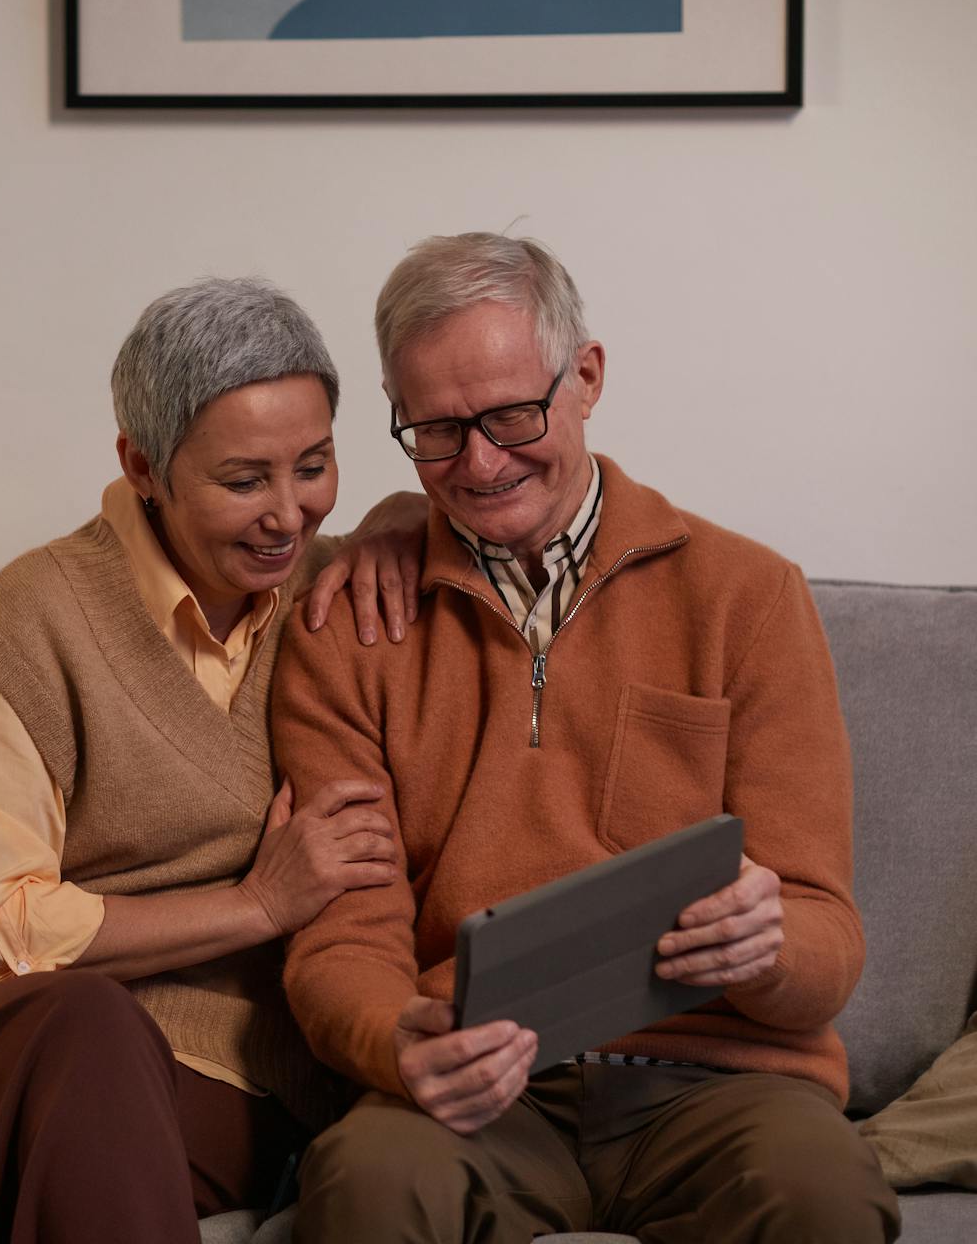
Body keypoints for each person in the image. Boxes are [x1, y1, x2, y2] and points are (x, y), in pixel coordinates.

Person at [272, 232, 901, 1243]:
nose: (477, 462)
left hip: (715, 1084)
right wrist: (395, 1040)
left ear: (587, 376)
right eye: (433, 431)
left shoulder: (746, 596)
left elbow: (825, 930)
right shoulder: (349, 622)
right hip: (478, 1089)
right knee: (365, 1182)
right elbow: (342, 930)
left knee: (823, 1199)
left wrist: (768, 945)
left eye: (511, 414)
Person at [0, 277, 406, 1243]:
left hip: (221, 1065)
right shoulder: (37, 614)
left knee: (74, 1121)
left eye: (314, 466)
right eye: (241, 480)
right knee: (85, 1026)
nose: (286, 515)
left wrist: (404, 520)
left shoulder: (339, 596)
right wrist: (256, 906)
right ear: (142, 465)